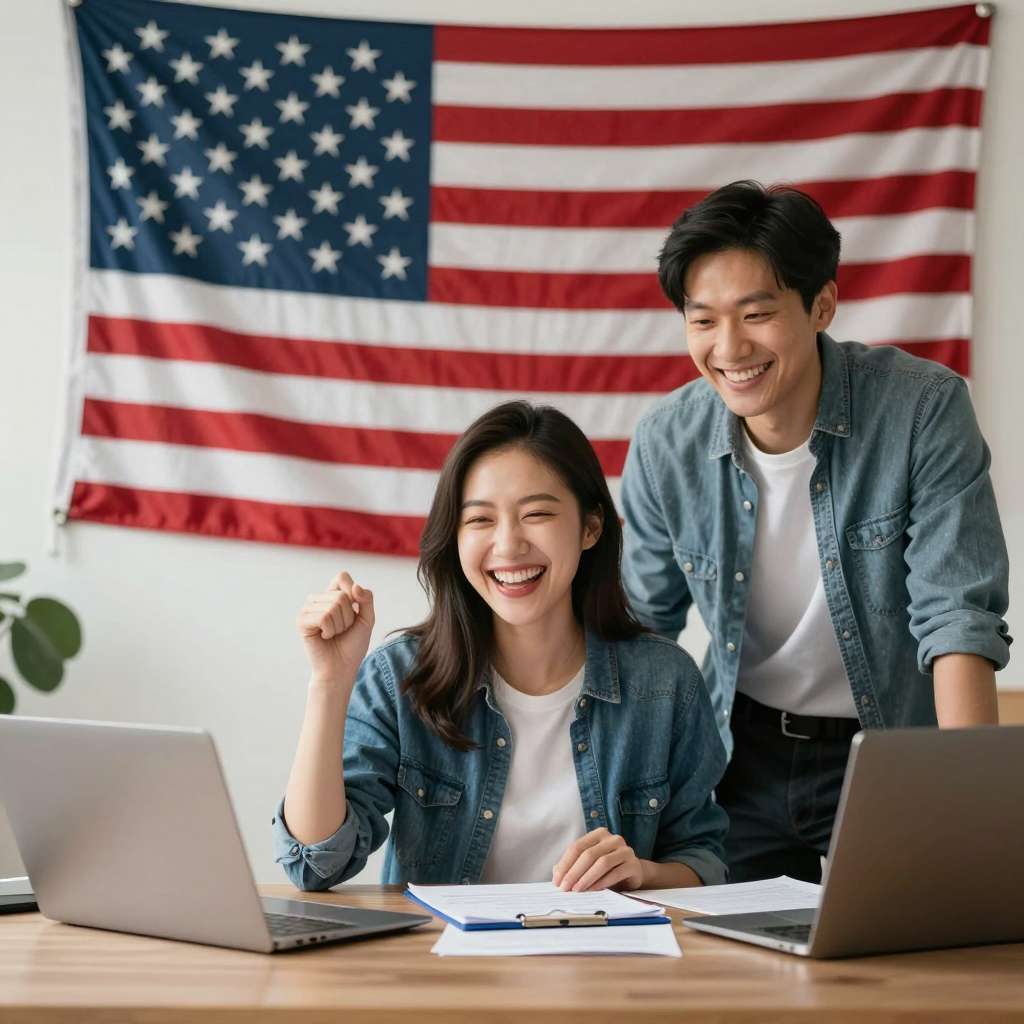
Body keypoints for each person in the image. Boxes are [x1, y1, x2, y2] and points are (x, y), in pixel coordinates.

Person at [620, 180, 1011, 884]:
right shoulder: (665, 443)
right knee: (738, 951)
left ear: (822, 306)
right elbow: (642, 634)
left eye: (757, 314)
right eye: (703, 320)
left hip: (890, 746)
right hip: (739, 754)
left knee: (927, 935)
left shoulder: (922, 410)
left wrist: (970, 807)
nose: (729, 347)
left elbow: (957, 618)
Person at [274, 401, 729, 891]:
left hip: (602, 941)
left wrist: (643, 872)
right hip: (443, 942)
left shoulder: (665, 681)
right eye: (480, 520)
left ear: (591, 528)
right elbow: (315, 865)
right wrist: (330, 681)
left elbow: (704, 860)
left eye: (536, 513)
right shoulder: (401, 677)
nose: (509, 545)